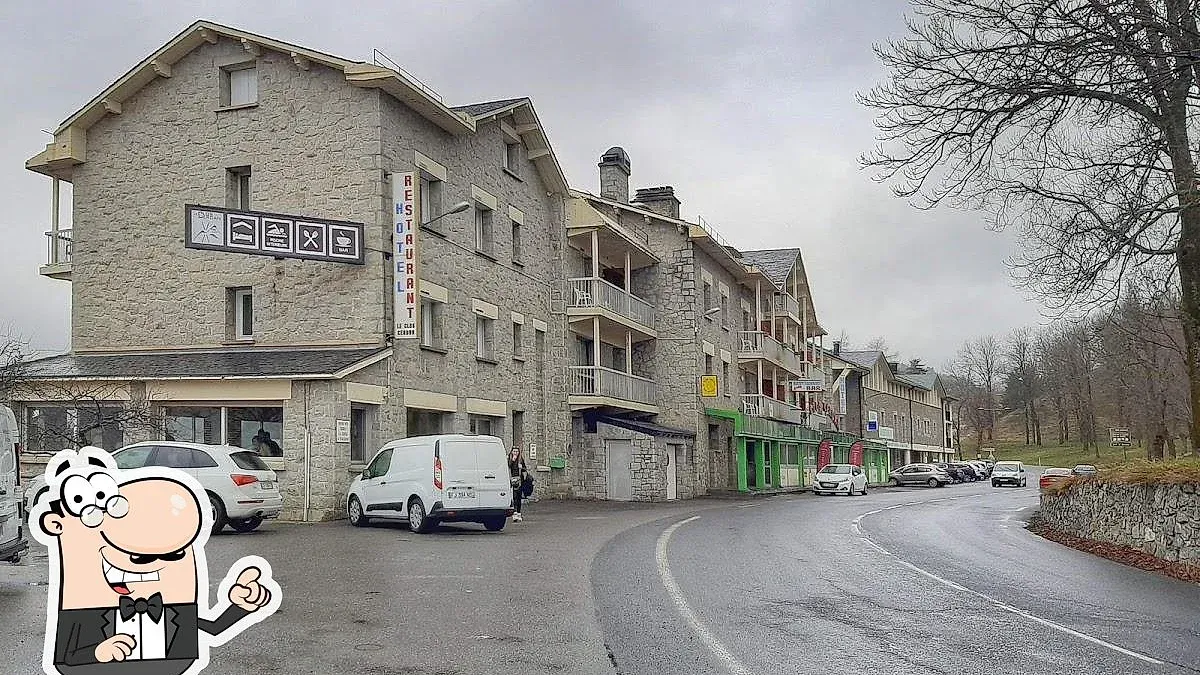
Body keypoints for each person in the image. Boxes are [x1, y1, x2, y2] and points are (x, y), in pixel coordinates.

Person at [508, 447, 528, 523]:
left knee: (519, 496)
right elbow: (508, 467)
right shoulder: (510, 458)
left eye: (517, 451)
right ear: (512, 452)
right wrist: (513, 460)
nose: (515, 453)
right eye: (514, 451)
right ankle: (514, 513)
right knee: (514, 497)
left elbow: (525, 469)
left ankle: (519, 513)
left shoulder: (520, 459)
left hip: (519, 480)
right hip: (512, 479)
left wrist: (522, 467)